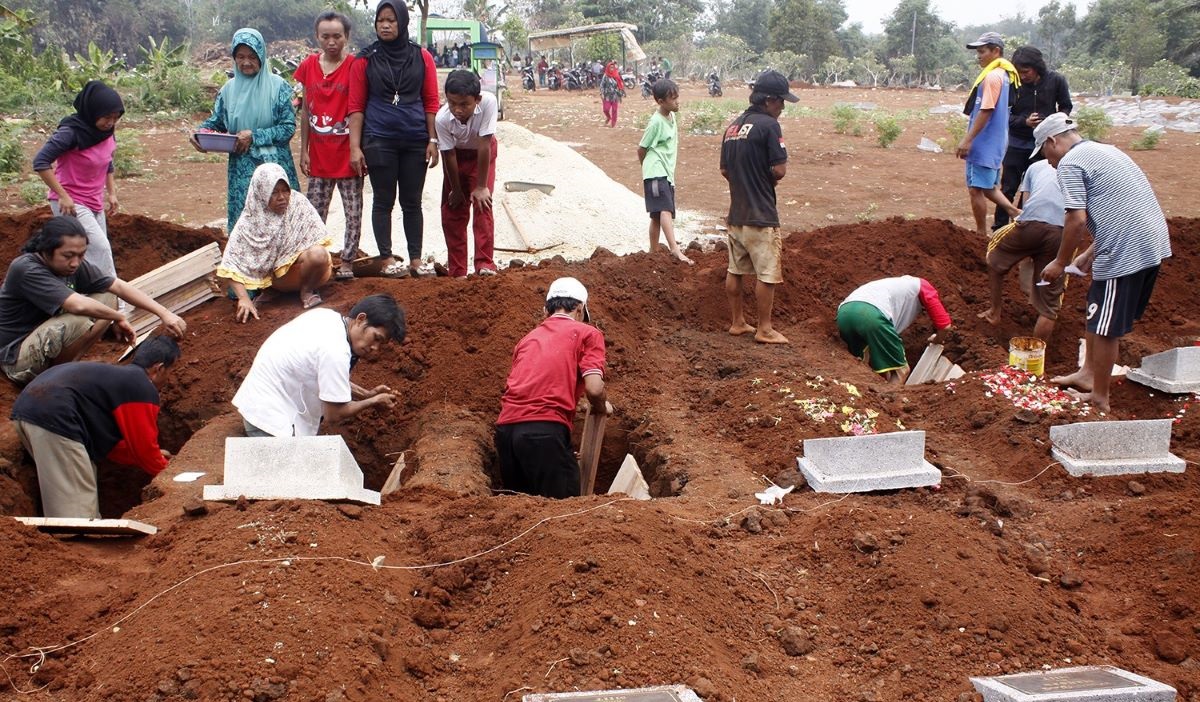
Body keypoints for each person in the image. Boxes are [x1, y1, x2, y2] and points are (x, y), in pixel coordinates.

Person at [1037, 113, 1172, 413]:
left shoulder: (1071, 164)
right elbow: (1120, 209)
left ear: (1052, 141)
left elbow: (1075, 220)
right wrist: (1087, 255)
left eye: (1045, 153)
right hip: (1149, 239)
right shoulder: (1105, 150)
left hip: (1126, 250)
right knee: (1097, 308)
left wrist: (1060, 262)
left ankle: (1100, 397)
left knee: (1105, 327)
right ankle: (1087, 373)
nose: (1047, 162)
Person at [0, 217, 186, 386]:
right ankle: (52, 379)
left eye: (81, 255)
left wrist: (164, 313)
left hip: (41, 342)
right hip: (16, 359)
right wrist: (118, 317)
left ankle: (65, 368)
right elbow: (77, 305)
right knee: (80, 318)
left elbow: (118, 287)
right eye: (68, 255)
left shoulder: (72, 266)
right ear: (46, 250)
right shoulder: (26, 268)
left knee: (107, 296)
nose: (75, 262)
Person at [10, 336, 180, 518]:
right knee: (76, 515)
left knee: (72, 480)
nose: (169, 379)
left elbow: (110, 446)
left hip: (29, 412)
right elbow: (143, 449)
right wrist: (171, 472)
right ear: (159, 368)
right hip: (54, 418)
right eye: (171, 371)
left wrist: (152, 457)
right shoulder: (141, 386)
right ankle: (77, 540)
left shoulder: (115, 380)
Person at [348, 0, 440, 279]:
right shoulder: (364, 59)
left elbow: (431, 101)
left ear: (402, 23)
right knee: (383, 200)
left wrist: (432, 140)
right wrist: (354, 147)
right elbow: (356, 105)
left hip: (415, 139)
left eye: (391, 20)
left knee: (412, 201)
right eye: (380, 20)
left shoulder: (421, 57)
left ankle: (415, 259)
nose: (385, 25)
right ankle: (387, 258)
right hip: (378, 139)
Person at [495, 277, 609, 498]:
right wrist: (602, 405)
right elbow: (594, 388)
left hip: (506, 433)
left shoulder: (527, 339)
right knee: (562, 516)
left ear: (546, 311)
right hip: (544, 430)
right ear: (580, 308)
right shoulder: (588, 333)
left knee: (519, 513)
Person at [232, 294, 405, 438]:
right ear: (361, 319)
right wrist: (373, 401)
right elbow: (334, 414)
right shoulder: (336, 351)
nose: (375, 348)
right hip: (270, 423)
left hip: (258, 404)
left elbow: (320, 374)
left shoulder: (326, 316)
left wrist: (365, 393)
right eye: (376, 338)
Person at [192, 28, 300, 233]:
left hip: (273, 168)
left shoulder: (278, 87)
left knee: (279, 224)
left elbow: (288, 128)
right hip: (242, 170)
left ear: (261, 55)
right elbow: (216, 122)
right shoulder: (228, 91)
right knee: (247, 223)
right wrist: (199, 134)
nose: (246, 62)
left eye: (252, 56)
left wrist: (255, 136)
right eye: (240, 57)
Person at [719, 69, 796, 345]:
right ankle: (765, 328)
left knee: (735, 270)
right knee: (767, 273)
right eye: (781, 102)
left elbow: (725, 170)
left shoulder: (732, 127)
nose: (783, 108)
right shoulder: (769, 126)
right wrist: (764, 180)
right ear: (768, 100)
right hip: (761, 214)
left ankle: (737, 322)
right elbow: (779, 170)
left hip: (737, 214)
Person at [294, 11, 363, 281]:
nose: (331, 41)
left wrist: (357, 148)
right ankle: (316, 262)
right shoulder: (308, 66)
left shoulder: (355, 66)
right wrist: (304, 151)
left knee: (353, 212)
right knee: (314, 213)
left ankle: (347, 261)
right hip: (320, 156)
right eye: (326, 36)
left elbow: (358, 110)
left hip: (347, 154)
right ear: (317, 36)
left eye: (337, 36)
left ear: (346, 37)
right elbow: (306, 113)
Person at [217, 163, 334, 321]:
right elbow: (230, 263)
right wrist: (243, 299)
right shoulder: (250, 219)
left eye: (285, 190)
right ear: (261, 193)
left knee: (319, 254)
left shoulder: (298, 203)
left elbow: (316, 238)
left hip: (309, 272)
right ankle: (273, 291)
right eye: (274, 192)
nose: (282, 197)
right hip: (276, 280)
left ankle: (307, 291)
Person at [33, 80, 125, 280]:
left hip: (94, 201)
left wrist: (112, 193)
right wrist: (62, 196)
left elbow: (107, 162)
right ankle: (117, 301)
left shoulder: (106, 133)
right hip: (71, 203)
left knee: (89, 254)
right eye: (106, 117)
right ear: (92, 111)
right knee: (100, 249)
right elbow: (40, 162)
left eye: (115, 118)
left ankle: (90, 298)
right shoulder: (70, 132)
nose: (110, 122)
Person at [977, 158, 1067, 342]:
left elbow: (1026, 206)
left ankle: (994, 312)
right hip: (1061, 232)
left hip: (1030, 226)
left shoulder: (1035, 167)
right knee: (1050, 307)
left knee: (994, 256)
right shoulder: (1083, 171)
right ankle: (1035, 357)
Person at [994, 46, 1072, 230]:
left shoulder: (1056, 81)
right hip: (1016, 143)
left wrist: (1055, 122)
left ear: (1037, 67)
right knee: (1008, 188)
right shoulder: (1012, 84)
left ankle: (1021, 225)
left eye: (1026, 71)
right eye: (1019, 72)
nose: (1022, 76)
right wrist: (1024, 121)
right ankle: (998, 227)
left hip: (1045, 145)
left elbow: (1066, 107)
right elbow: (1004, 115)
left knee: (1033, 188)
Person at [956, 31, 1021, 239]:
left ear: (996, 51)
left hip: (984, 142)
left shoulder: (993, 77)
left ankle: (981, 234)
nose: (979, 56)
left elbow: (986, 110)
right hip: (995, 141)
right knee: (988, 186)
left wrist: (968, 139)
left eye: (983, 51)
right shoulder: (1004, 76)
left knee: (976, 189)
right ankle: (1015, 212)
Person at [435, 70, 499, 278]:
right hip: (457, 158)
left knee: (483, 204)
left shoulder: (489, 102)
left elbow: (484, 144)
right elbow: (449, 156)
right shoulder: (442, 118)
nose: (457, 110)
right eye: (452, 103)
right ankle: (458, 270)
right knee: (453, 210)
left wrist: (481, 187)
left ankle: (484, 264)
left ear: (477, 100)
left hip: (482, 154)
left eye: (464, 104)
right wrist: (455, 189)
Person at [836, 276, 954, 384]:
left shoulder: (894, 285)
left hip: (844, 314)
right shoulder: (924, 287)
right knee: (901, 370)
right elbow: (945, 326)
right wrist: (938, 340)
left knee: (863, 365)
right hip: (871, 316)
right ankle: (886, 403)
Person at [638, 79, 692, 266]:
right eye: (673, 98)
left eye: (677, 97)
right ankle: (674, 249)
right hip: (656, 171)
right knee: (665, 209)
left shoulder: (671, 116)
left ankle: (653, 251)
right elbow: (642, 148)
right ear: (660, 101)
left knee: (656, 214)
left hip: (666, 172)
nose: (677, 101)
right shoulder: (655, 122)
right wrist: (647, 168)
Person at [600, 60, 625, 128]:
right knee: (606, 109)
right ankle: (608, 117)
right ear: (608, 68)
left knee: (614, 110)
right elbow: (602, 85)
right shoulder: (605, 76)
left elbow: (620, 83)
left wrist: (621, 91)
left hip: (615, 95)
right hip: (607, 95)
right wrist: (601, 93)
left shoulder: (616, 74)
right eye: (610, 67)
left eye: (612, 67)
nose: (611, 69)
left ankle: (613, 123)